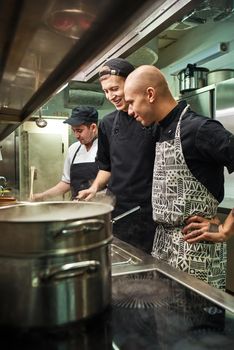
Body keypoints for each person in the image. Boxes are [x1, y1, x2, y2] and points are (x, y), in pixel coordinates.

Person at [124, 64, 234, 289]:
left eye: (130, 102)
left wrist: (226, 228)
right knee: (167, 320)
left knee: (197, 321)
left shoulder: (200, 129)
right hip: (163, 247)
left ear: (150, 94)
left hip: (195, 250)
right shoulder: (159, 130)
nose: (129, 111)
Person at [78, 58, 158, 254]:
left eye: (114, 89)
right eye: (106, 91)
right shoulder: (107, 123)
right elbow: (107, 166)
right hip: (119, 213)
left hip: (151, 214)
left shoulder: (152, 118)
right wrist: (94, 188)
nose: (110, 96)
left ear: (131, 83)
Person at [31, 106, 99, 201]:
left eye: (79, 131)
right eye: (73, 130)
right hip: (77, 207)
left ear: (93, 127)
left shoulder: (106, 148)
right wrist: (42, 196)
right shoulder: (73, 149)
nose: (76, 135)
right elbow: (66, 183)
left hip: (100, 206)